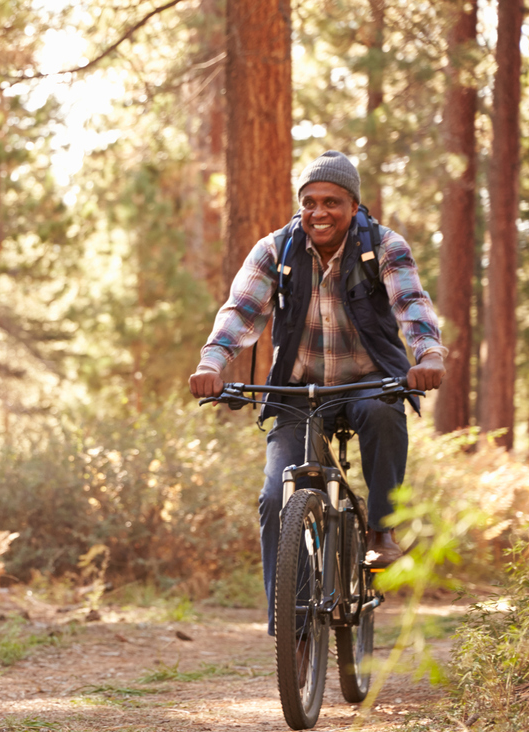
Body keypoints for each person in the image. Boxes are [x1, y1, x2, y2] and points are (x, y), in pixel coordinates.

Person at [188, 150, 446, 632]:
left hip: (368, 381)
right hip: (297, 390)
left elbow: (411, 303)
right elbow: (241, 311)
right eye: (309, 202)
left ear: (353, 206)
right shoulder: (277, 249)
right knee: (274, 497)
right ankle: (292, 624)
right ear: (299, 205)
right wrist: (211, 362)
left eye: (331, 202)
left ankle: (381, 530)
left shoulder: (383, 247)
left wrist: (428, 355)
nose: (319, 212)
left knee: (383, 414)